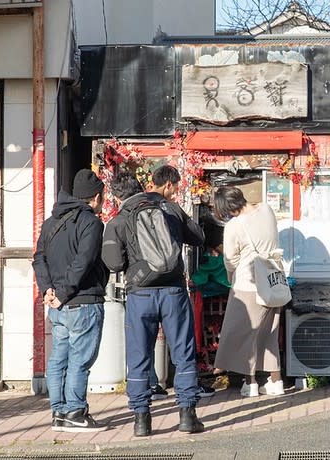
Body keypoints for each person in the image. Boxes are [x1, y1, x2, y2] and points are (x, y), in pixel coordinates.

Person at [102, 165, 206, 437]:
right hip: (173, 291)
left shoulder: (119, 220)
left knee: (139, 356)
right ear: (140, 186)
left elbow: (113, 263)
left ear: (115, 197)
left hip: (140, 294)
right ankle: (187, 415)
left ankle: (141, 421)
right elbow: (198, 237)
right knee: (183, 353)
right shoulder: (170, 209)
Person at [32, 169, 108, 432]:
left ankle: (59, 413)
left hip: (57, 304)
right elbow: (83, 262)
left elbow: (38, 257)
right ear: (96, 197)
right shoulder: (92, 223)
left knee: (58, 358)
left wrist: (48, 290)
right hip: (83, 301)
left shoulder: (52, 221)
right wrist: (62, 292)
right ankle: (75, 413)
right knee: (80, 359)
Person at [212, 185, 285, 398]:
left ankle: (250, 383)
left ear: (227, 208)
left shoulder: (234, 226)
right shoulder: (266, 210)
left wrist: (230, 277)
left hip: (248, 284)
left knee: (244, 335)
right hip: (273, 281)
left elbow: (231, 260)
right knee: (269, 334)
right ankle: (275, 381)